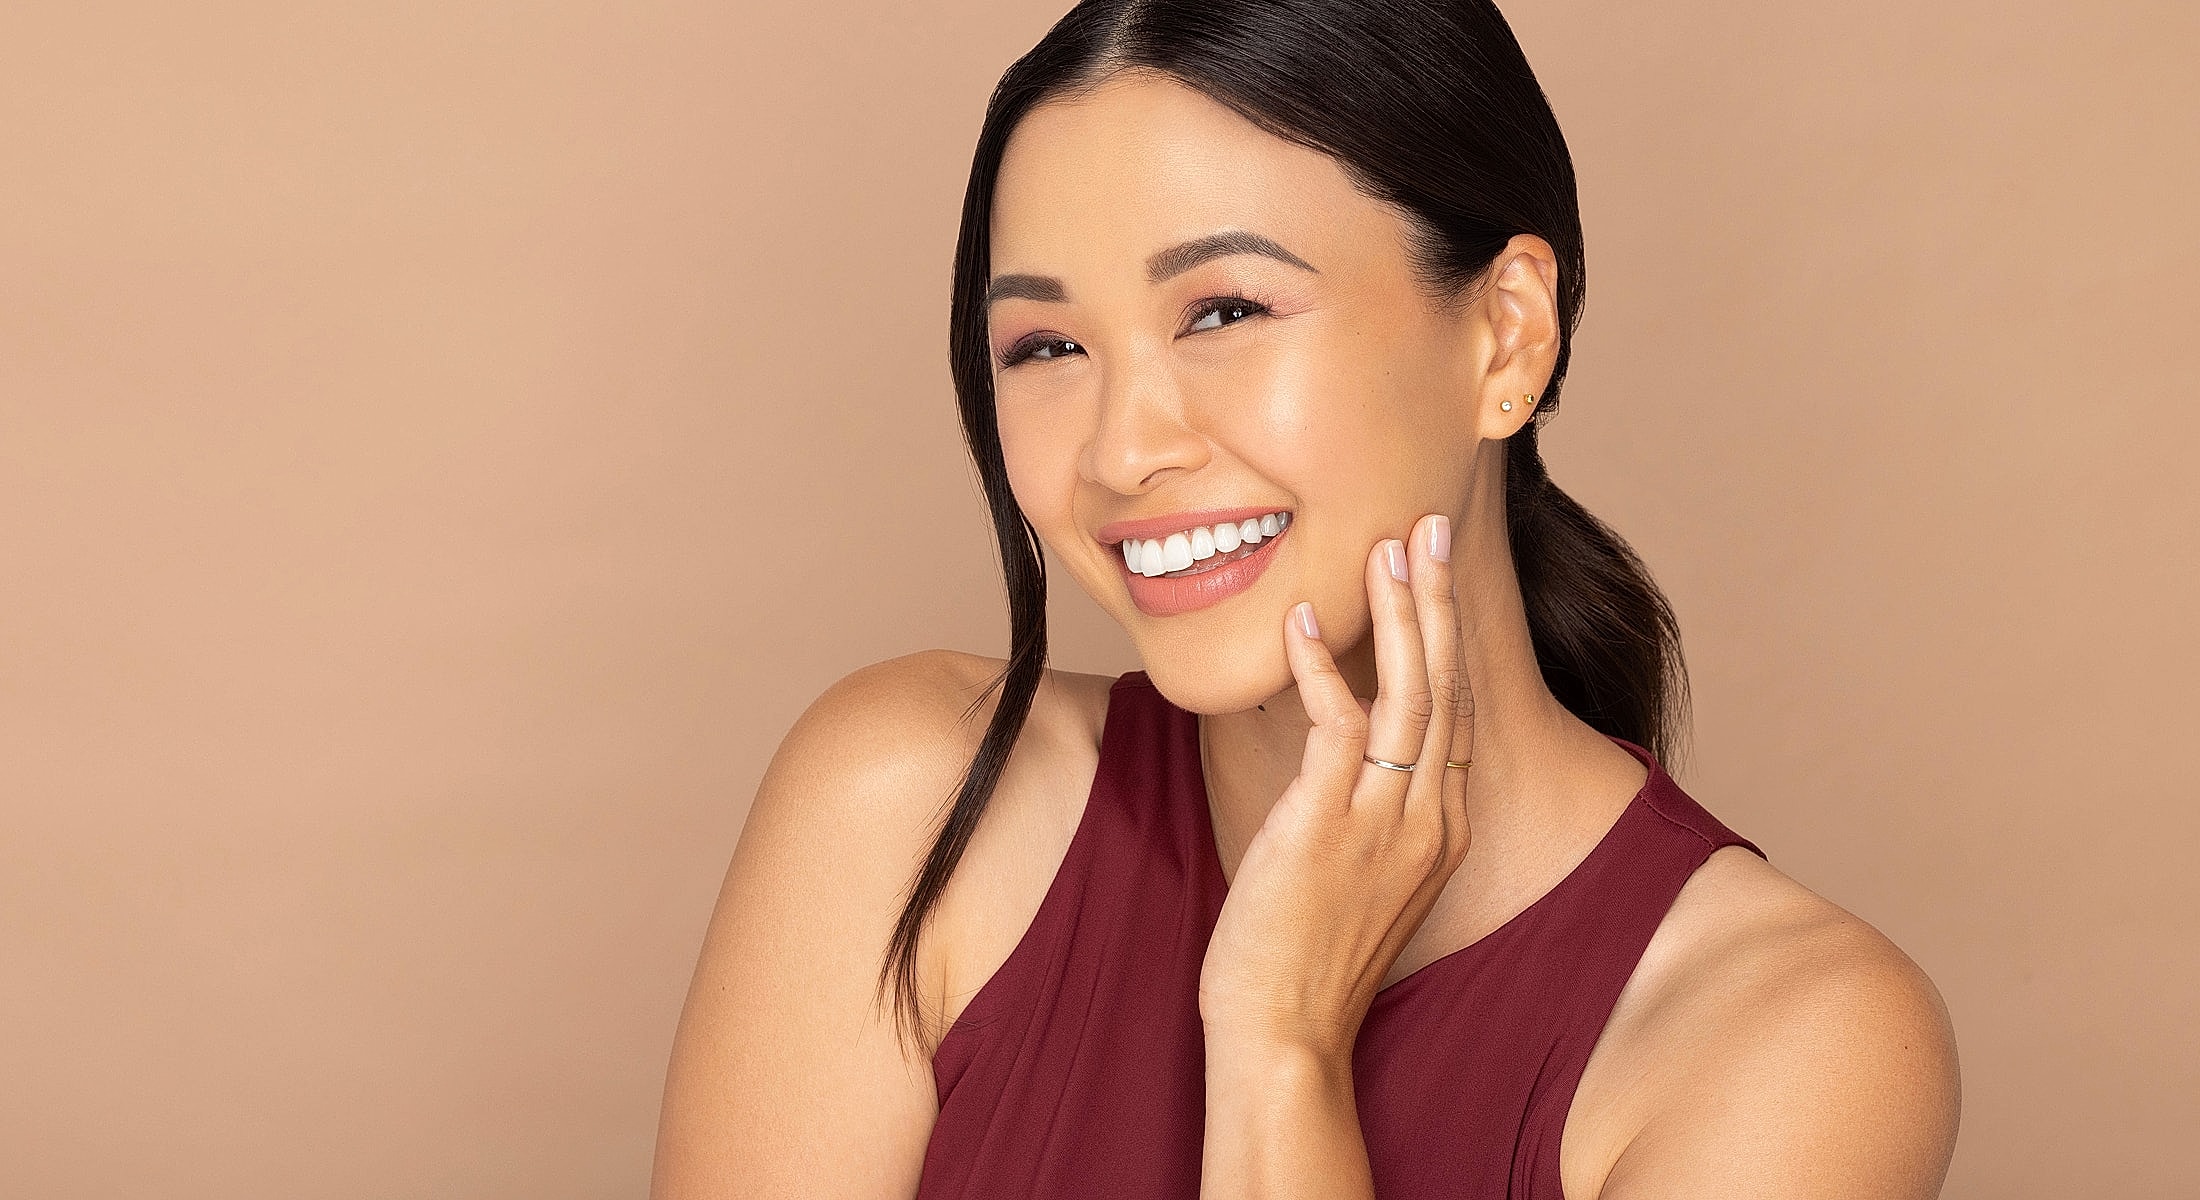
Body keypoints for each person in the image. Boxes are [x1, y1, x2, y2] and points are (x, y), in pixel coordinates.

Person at [652, 1, 1961, 1195]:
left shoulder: (1794, 1041)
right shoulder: (904, 812)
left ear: (1507, 336)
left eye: (1222, 310)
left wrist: (1282, 1036)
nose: (1121, 449)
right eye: (1048, 345)